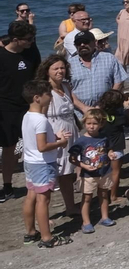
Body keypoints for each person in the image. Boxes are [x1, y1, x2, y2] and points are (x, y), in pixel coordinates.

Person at [21, 79, 71, 247]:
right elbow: (42, 147)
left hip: (30, 162)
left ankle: (30, 232)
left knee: (31, 196)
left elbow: (35, 139)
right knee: (43, 200)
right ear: (37, 98)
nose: (50, 97)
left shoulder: (27, 116)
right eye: (48, 94)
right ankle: (47, 237)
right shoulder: (41, 120)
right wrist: (60, 142)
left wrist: (54, 136)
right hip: (42, 164)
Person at [2, 22, 42, 199]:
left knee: (38, 142)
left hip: (30, 105)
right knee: (9, 147)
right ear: (15, 39)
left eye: (33, 38)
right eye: (28, 39)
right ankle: (7, 185)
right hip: (6, 107)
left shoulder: (31, 51)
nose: (31, 41)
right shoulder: (2, 56)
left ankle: (40, 179)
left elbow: (39, 74)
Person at [39, 54, 77, 218]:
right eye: (56, 68)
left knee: (67, 173)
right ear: (47, 71)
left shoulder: (66, 86)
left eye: (62, 68)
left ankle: (71, 207)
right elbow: (40, 117)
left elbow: (76, 103)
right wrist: (53, 136)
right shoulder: (45, 91)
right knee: (50, 176)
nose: (60, 71)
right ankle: (43, 216)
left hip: (70, 132)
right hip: (55, 133)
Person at [69, 108, 115, 233]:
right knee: (87, 197)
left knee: (104, 194)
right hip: (88, 175)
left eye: (95, 123)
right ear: (84, 123)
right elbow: (72, 158)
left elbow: (109, 148)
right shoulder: (81, 141)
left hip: (104, 171)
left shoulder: (104, 137)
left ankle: (105, 217)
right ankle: (86, 222)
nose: (91, 126)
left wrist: (110, 154)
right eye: (89, 123)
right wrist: (84, 166)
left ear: (101, 124)